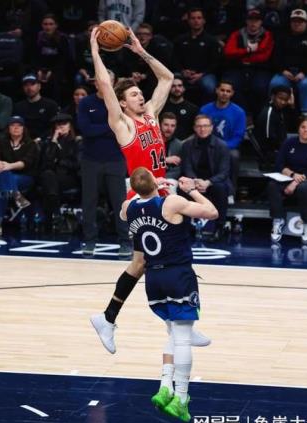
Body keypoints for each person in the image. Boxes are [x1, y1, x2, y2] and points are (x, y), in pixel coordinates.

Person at [88, 26, 210, 354]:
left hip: (161, 193)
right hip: (141, 196)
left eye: (140, 93)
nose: (140, 97)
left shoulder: (152, 115)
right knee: (149, 261)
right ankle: (115, 319)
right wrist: (96, 52)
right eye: (133, 95)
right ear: (122, 103)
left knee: (157, 258)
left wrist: (140, 51)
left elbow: (167, 78)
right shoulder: (123, 124)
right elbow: (105, 85)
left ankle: (172, 322)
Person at [121, 167, 218, 422]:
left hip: (154, 280)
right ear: (155, 181)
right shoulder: (171, 203)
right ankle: (181, 398)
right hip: (178, 275)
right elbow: (211, 212)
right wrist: (192, 190)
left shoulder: (128, 208)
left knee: (174, 332)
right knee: (183, 337)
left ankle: (165, 386)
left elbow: (134, 201)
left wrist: (147, 189)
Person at [77, 70, 131, 256]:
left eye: (108, 80)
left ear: (114, 82)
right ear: (95, 82)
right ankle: (90, 241)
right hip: (90, 160)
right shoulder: (86, 103)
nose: (104, 82)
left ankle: (125, 242)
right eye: (100, 80)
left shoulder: (120, 104)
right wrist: (111, 127)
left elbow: (124, 129)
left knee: (120, 203)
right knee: (89, 202)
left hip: (116, 159)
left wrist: (106, 128)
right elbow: (86, 129)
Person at [268, 116, 307, 244]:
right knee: (273, 185)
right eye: (303, 127)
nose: (305, 130)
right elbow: (279, 164)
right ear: (298, 128)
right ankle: (278, 220)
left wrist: (295, 182)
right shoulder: (289, 142)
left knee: (303, 188)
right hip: (291, 176)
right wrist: (292, 174)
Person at [181, 114, 231, 242]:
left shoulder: (222, 146)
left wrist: (208, 182)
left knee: (220, 188)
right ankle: (184, 228)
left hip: (214, 181)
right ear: (194, 128)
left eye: (205, 126)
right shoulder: (187, 145)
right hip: (194, 181)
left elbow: (224, 172)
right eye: (199, 126)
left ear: (211, 127)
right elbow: (187, 167)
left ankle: (219, 228)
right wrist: (195, 181)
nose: (202, 129)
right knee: (182, 188)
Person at [0, 115, 37, 236]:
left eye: (19, 126)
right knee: (3, 184)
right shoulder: (0, 141)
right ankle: (16, 195)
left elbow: (26, 163)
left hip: (24, 177)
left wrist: (8, 166)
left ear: (23, 128)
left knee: (2, 188)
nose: (16, 128)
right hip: (1, 175)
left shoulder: (30, 144)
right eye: (13, 125)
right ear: (8, 128)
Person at [269, 9, 307, 117]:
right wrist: (283, 70)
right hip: (286, 72)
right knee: (275, 83)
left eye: (300, 21)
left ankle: (305, 116)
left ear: (306, 23)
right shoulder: (283, 37)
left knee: (306, 84)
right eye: (294, 21)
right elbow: (276, 57)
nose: (297, 24)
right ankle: (273, 113)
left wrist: (304, 72)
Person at [223, 8, 274, 118]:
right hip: (237, 67)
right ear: (246, 21)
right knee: (232, 85)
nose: (253, 23)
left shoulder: (267, 35)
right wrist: (248, 50)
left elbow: (264, 56)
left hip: (260, 68)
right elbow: (228, 52)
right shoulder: (236, 34)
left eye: (256, 20)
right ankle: (242, 115)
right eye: (250, 20)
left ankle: (259, 117)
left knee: (260, 87)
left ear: (261, 22)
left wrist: (242, 56)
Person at [199, 80, 246, 197]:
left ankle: (231, 191)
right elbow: (200, 129)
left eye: (228, 91)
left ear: (232, 93)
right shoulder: (205, 110)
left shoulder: (239, 112)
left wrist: (222, 147)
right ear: (216, 91)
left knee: (234, 156)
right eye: (222, 90)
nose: (225, 93)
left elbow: (238, 136)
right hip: (206, 144)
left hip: (229, 147)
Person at [39, 113, 81, 232]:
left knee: (49, 182)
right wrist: (53, 142)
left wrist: (58, 161)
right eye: (58, 124)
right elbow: (46, 162)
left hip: (69, 177)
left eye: (64, 124)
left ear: (69, 126)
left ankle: (51, 218)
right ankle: (56, 215)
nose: (61, 127)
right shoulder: (49, 142)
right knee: (48, 176)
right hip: (52, 177)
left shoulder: (77, 142)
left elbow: (77, 164)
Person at [172, 8, 221, 102]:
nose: (196, 21)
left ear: (204, 21)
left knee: (210, 86)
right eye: (193, 18)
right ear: (188, 21)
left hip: (205, 74)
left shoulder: (211, 41)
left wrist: (201, 74)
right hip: (183, 73)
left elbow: (215, 63)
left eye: (199, 18)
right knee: (169, 82)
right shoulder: (180, 39)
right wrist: (182, 71)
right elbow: (174, 59)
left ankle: (205, 110)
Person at [253, 85, 296, 168]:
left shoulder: (281, 110)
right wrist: (285, 150)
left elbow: (294, 126)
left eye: (286, 100)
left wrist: (292, 106)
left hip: (279, 150)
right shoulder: (269, 112)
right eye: (280, 98)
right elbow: (269, 139)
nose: (283, 102)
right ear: (273, 97)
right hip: (268, 154)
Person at [14, 72, 59, 141]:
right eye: (26, 85)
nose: (29, 88)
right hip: (23, 141)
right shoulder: (18, 107)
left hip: (45, 141)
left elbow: (54, 127)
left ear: (39, 86)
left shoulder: (51, 105)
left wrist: (40, 139)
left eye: (32, 84)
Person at [161, 75, 199, 140]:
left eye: (180, 86)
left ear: (184, 88)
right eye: (173, 86)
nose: (177, 89)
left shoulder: (193, 109)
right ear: (169, 88)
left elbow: (196, 131)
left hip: (186, 143)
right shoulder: (162, 107)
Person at [160, 112, 183, 184]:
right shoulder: (151, 141)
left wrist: (164, 178)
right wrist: (165, 160)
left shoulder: (179, 145)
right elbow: (144, 161)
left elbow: (179, 169)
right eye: (166, 125)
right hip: (151, 177)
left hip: (169, 179)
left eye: (172, 126)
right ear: (160, 125)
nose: (169, 128)